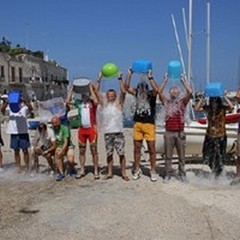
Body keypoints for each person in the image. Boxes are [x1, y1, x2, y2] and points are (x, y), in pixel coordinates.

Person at [125, 68, 159, 182]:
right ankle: (137, 169)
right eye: (140, 87)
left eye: (144, 87)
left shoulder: (151, 95)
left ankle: (153, 170)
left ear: (147, 89)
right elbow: (126, 87)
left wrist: (150, 77)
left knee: (152, 149)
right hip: (138, 124)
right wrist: (129, 74)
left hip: (149, 124)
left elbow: (157, 89)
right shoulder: (136, 94)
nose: (142, 89)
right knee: (137, 149)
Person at [95, 71, 129, 181]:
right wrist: (99, 79)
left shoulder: (119, 104)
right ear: (107, 96)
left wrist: (119, 79)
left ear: (115, 96)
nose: (111, 97)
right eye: (109, 95)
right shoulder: (104, 104)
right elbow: (96, 92)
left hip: (118, 132)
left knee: (121, 153)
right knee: (109, 154)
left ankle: (123, 173)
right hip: (108, 133)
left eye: (113, 95)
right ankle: (109, 173)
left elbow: (123, 92)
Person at [158, 73, 193, 183]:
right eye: (172, 90)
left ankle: (182, 174)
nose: (174, 92)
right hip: (168, 132)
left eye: (176, 91)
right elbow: (159, 91)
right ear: (169, 93)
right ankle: (168, 173)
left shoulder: (183, 102)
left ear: (179, 93)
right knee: (168, 156)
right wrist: (165, 80)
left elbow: (190, 92)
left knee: (181, 156)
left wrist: (183, 81)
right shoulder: (166, 102)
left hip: (180, 133)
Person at [194, 94, 234, 178]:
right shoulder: (208, 108)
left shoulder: (223, 108)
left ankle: (218, 174)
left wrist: (225, 97)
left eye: (215, 102)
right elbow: (196, 109)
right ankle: (214, 169)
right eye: (212, 101)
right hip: (210, 135)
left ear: (218, 102)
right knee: (206, 155)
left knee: (220, 156)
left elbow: (232, 107)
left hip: (221, 136)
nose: (214, 103)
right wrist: (202, 99)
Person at [66, 82, 100, 179]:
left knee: (94, 150)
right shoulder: (78, 103)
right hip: (82, 129)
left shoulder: (92, 103)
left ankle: (96, 170)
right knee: (82, 150)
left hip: (91, 129)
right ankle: (82, 169)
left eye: (86, 94)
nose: (84, 95)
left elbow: (97, 101)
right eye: (83, 94)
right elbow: (68, 101)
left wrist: (91, 89)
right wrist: (71, 90)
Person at [1, 96, 33, 173]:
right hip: (13, 132)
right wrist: (7, 102)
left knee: (25, 150)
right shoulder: (10, 108)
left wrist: (25, 101)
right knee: (16, 151)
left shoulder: (24, 108)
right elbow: (2, 110)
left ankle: (27, 167)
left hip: (23, 131)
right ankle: (18, 166)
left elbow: (31, 109)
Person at [51, 116, 76, 181]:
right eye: (53, 123)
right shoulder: (52, 130)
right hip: (59, 146)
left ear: (59, 122)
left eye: (56, 123)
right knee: (57, 154)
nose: (54, 124)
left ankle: (72, 168)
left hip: (68, 145)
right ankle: (61, 173)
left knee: (70, 159)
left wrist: (62, 150)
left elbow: (66, 142)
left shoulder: (64, 128)